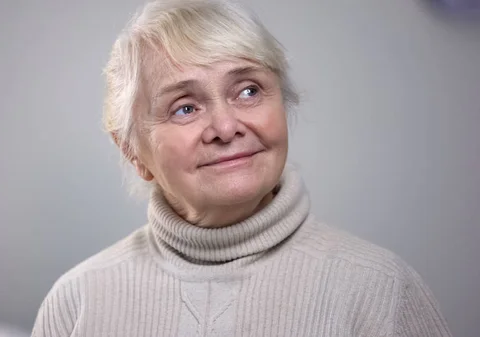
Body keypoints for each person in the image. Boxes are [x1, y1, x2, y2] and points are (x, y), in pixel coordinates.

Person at [31, 0, 452, 336]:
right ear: (132, 152)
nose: (226, 127)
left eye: (248, 90)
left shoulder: (380, 288)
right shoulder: (76, 301)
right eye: (185, 107)